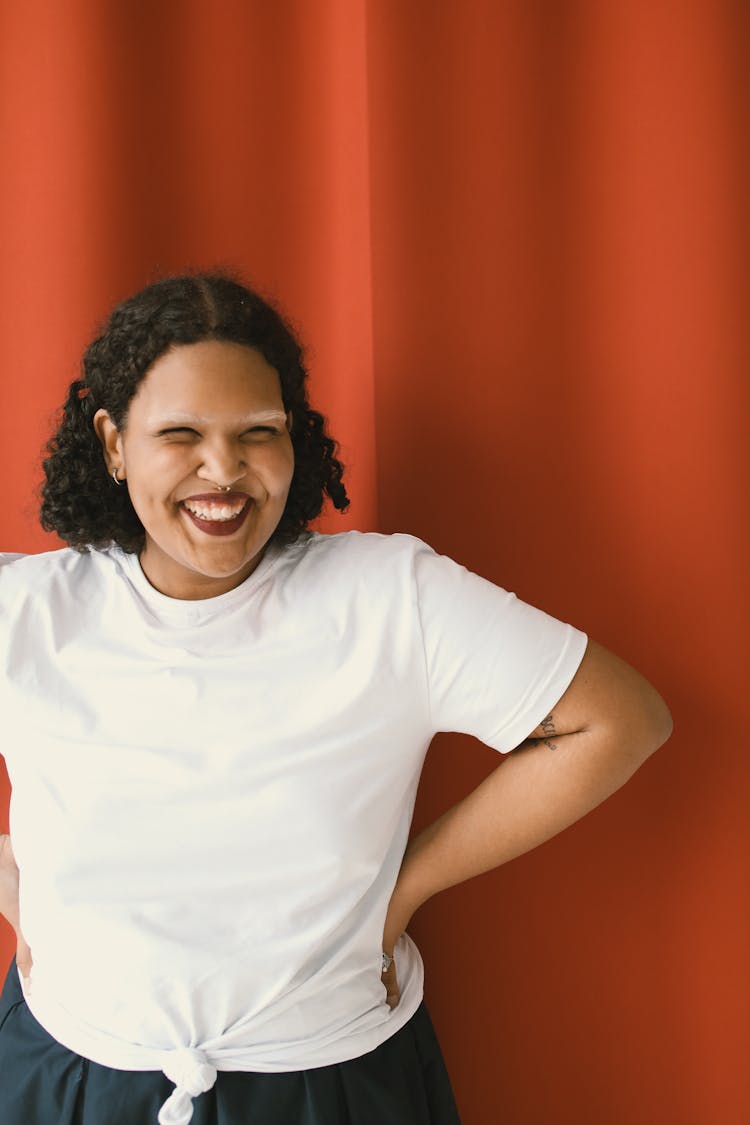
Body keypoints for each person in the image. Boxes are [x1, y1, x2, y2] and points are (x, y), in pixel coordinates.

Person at [0, 273, 672, 1125]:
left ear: (294, 436)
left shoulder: (389, 596)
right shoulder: (26, 612)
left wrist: (405, 891)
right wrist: (15, 878)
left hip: (330, 1084)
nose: (224, 470)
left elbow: (621, 719)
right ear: (113, 442)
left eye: (257, 432)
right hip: (69, 1078)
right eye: (180, 434)